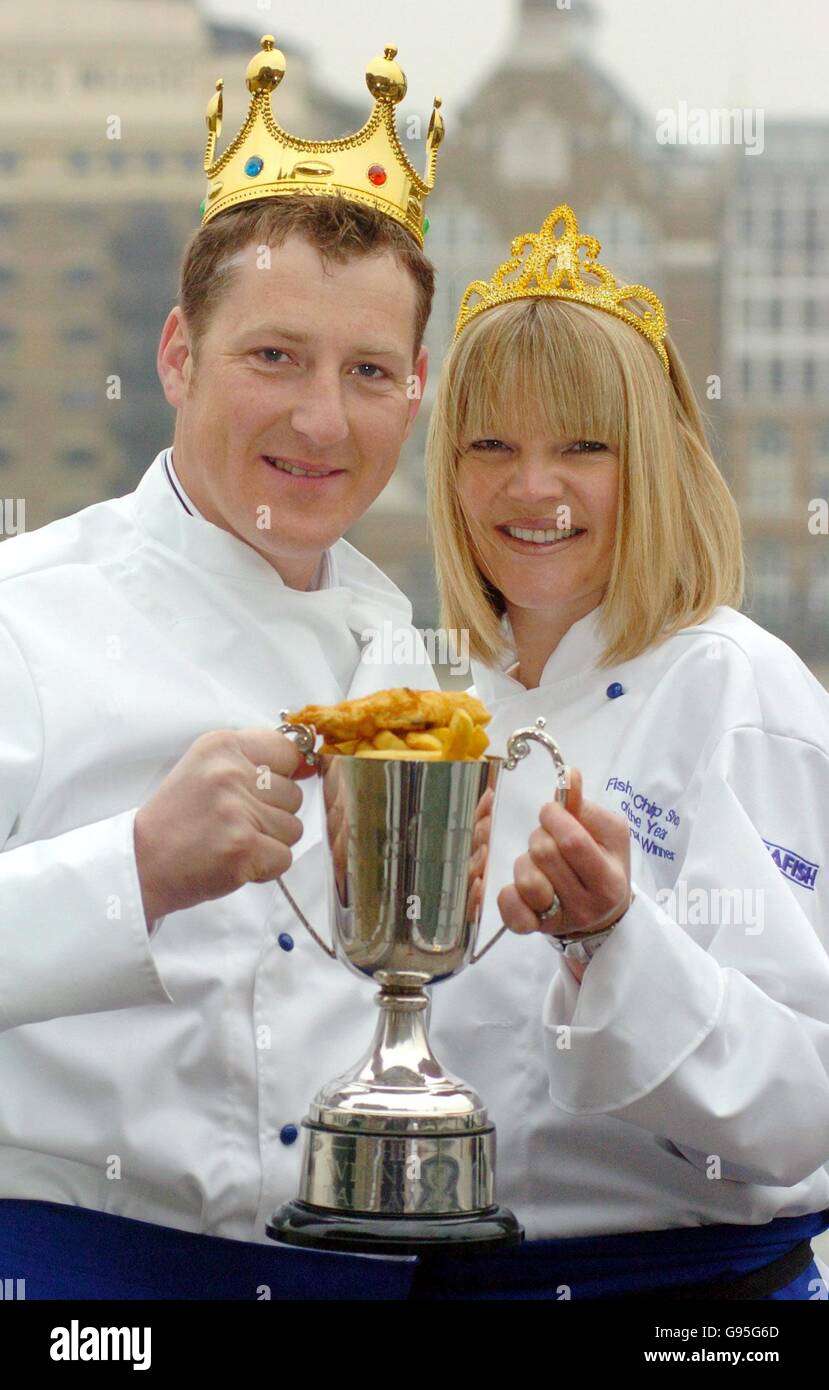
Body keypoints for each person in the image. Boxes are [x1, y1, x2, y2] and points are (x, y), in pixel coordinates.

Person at [0, 36, 445, 1298]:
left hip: (361, 1278)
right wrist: (130, 868)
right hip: (77, 1284)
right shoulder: (22, 617)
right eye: (273, 357)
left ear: (415, 391)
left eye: (368, 372)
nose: (322, 420)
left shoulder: (413, 661)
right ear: (178, 356)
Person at [420, 203, 829, 1299]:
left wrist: (614, 937)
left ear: (653, 462)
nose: (531, 487)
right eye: (490, 444)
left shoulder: (735, 688)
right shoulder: (430, 703)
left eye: (581, 447)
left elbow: (804, 1100)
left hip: (688, 1296)